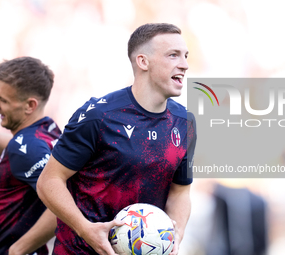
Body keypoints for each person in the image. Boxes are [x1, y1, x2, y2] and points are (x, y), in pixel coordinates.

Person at [37, 23, 197, 255]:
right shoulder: (98, 115)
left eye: (185, 56)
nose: (184, 64)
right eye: (173, 55)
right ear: (143, 62)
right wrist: (85, 229)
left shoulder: (185, 122)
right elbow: (49, 181)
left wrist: (176, 235)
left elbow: (180, 192)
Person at [0, 56, 61, 254]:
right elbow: (19, 153)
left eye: (3, 100)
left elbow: (63, 202)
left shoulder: (26, 148)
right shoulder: (48, 130)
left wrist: (18, 249)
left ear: (30, 105)